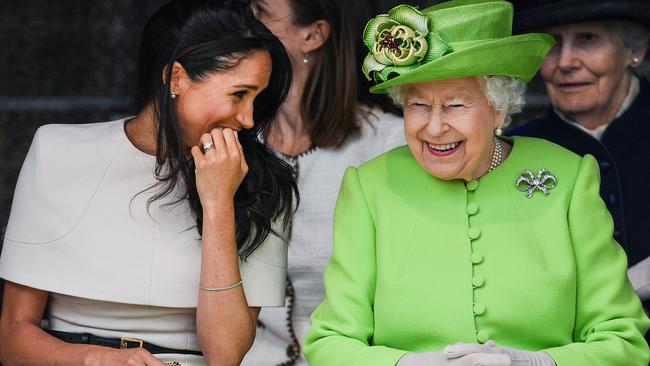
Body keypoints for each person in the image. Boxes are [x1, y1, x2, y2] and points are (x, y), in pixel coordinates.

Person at [304, 1, 650, 365]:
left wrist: (533, 363)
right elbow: (330, 341)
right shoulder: (369, 187)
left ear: (498, 108)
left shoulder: (568, 176)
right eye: (418, 105)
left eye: (455, 105)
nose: (434, 127)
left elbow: (622, 339)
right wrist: (408, 365)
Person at [0, 0, 297, 365]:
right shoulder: (56, 152)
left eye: (257, 97)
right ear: (176, 78)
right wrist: (100, 360)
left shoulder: (264, 182)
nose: (250, 119)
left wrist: (219, 204)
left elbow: (226, 355)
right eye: (238, 94)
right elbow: (13, 338)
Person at [242, 0, 404, 364]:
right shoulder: (236, 140)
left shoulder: (389, 145)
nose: (241, 23)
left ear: (313, 35)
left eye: (261, 13)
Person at [506, 0, 650, 304]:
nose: (566, 61)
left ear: (634, 51)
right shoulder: (512, 150)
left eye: (587, 39)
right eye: (553, 43)